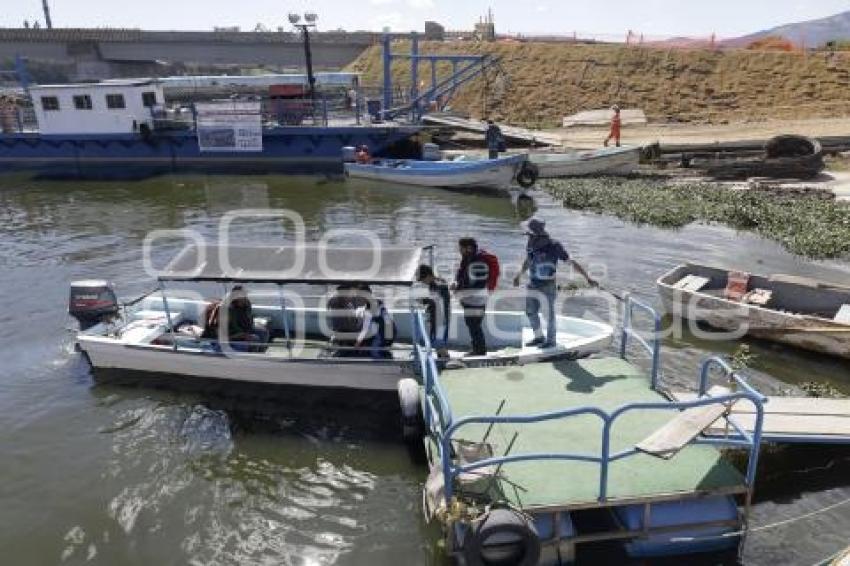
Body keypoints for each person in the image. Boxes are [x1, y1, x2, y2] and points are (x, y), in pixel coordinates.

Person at [513, 219, 597, 348]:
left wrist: (588, 278)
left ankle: (551, 341)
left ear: (538, 234)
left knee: (549, 315)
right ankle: (539, 337)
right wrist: (519, 275)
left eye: (530, 234)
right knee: (530, 312)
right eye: (528, 235)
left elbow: (571, 262)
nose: (528, 236)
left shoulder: (554, 245)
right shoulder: (530, 244)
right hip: (532, 283)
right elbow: (528, 260)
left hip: (548, 286)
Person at [453, 238, 500, 356]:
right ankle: (477, 349)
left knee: (473, 325)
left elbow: (478, 283)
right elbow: (461, 273)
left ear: (469, 248)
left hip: (476, 299)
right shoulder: (468, 258)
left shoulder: (479, 262)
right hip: (472, 298)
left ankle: (479, 351)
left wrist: (460, 289)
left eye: (461, 248)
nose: (459, 250)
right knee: (473, 324)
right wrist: (456, 283)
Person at [416, 264, 451, 357]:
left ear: (428, 276)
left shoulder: (437, 285)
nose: (423, 282)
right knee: (439, 342)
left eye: (423, 279)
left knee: (439, 343)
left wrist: (423, 300)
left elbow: (436, 300)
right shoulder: (438, 282)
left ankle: (445, 359)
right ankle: (442, 359)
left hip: (440, 318)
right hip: (440, 316)